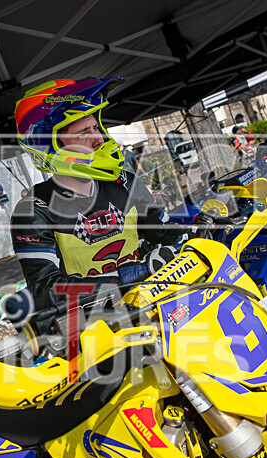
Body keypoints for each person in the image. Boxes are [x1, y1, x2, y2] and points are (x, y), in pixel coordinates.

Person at [11, 77, 187, 311]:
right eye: (83, 133)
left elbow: (166, 234)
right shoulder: (34, 211)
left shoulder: (124, 182)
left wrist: (200, 232)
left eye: (96, 128)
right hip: (93, 323)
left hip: (152, 305)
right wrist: (133, 273)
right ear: (51, 145)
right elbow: (45, 292)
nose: (98, 139)